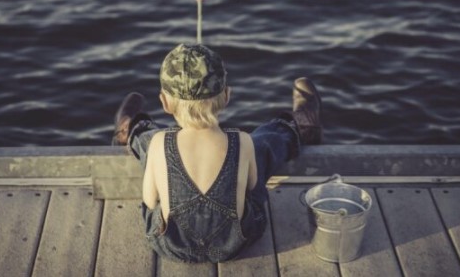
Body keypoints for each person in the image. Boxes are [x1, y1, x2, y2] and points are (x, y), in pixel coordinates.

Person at [111, 43, 322, 263]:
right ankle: (296, 127)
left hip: (171, 245)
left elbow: (150, 201)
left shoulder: (159, 143)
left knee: (153, 144)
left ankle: (133, 128)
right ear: (227, 96)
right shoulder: (243, 141)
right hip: (235, 244)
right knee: (258, 148)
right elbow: (252, 187)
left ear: (164, 102)